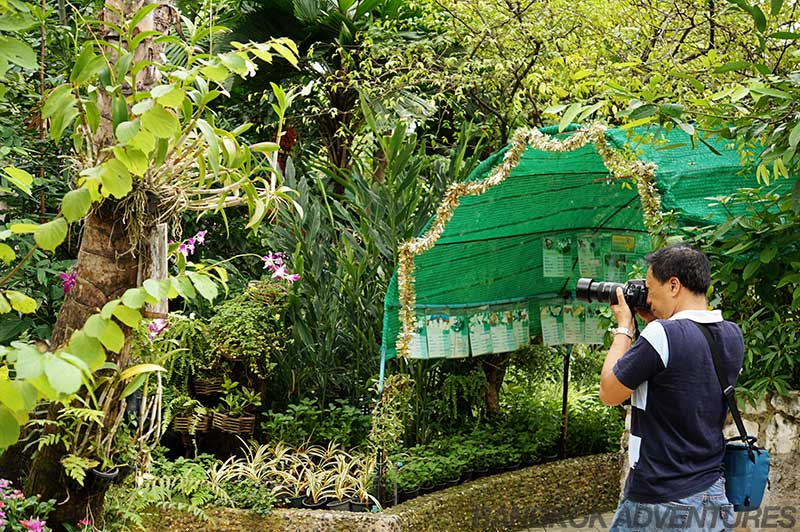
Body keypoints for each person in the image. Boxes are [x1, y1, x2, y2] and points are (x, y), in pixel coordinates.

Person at [599, 244, 744, 532]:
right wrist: (659, 323)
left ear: (674, 285)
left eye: (651, 289)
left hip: (660, 499)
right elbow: (684, 379)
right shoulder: (731, 334)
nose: (648, 299)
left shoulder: (661, 334)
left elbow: (609, 392)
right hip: (712, 494)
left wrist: (624, 327)